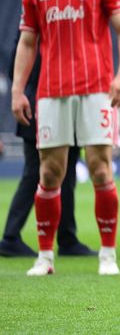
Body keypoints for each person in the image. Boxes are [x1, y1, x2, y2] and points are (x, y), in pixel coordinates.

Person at [13, 0, 120, 276]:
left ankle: (108, 255)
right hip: (51, 92)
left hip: (97, 89)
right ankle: (45, 257)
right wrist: (18, 90)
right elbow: (28, 41)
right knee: (49, 173)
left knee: (100, 168)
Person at [1, 33, 94, 259]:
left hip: (64, 108)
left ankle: (67, 238)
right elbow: (20, 63)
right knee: (35, 173)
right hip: (39, 108)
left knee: (67, 173)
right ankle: (11, 237)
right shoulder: (33, 33)